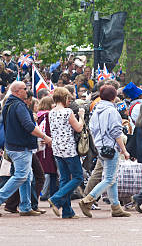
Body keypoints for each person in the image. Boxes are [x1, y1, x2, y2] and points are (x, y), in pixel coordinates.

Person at [0, 81, 52, 215]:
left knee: (26, 176)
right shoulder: (19, 105)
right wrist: (45, 137)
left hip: (13, 146)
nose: (27, 90)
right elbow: (29, 126)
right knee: (21, 176)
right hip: (20, 147)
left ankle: (25, 207)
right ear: (17, 91)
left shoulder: (9, 104)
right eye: (24, 88)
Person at [79, 84, 131, 218]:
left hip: (100, 147)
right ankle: (88, 200)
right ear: (114, 97)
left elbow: (92, 128)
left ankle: (116, 207)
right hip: (111, 147)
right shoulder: (112, 111)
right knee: (109, 178)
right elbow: (116, 132)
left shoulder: (95, 109)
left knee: (112, 178)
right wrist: (124, 150)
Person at [47, 86, 85, 219]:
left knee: (64, 178)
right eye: (68, 97)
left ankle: (67, 211)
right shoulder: (67, 112)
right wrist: (81, 116)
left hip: (57, 148)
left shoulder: (51, 112)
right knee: (78, 177)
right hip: (68, 148)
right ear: (64, 98)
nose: (70, 100)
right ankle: (56, 198)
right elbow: (79, 128)